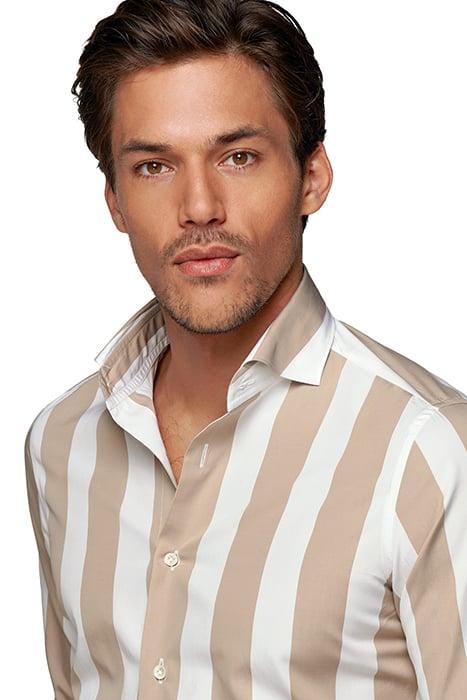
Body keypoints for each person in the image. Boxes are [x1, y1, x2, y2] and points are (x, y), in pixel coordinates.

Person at [24, 0, 467, 698]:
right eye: (153, 166)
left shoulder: (427, 448)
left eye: (238, 157)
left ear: (311, 177)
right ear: (114, 200)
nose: (199, 207)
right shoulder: (62, 442)